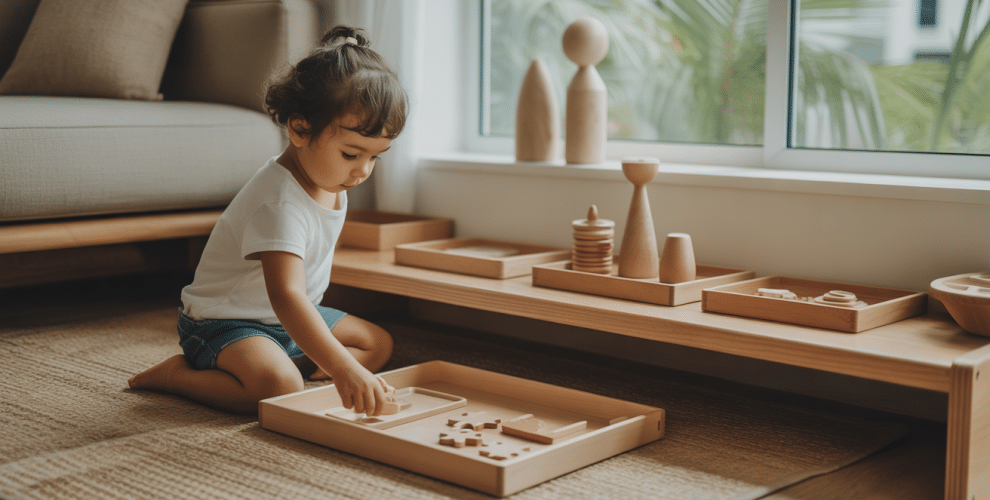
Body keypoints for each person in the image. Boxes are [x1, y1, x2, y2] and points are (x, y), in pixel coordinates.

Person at [129, 26, 406, 416]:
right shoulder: (278, 203)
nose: (362, 171)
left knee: (376, 345)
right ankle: (179, 375)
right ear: (299, 129)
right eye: (351, 154)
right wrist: (342, 368)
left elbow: (298, 301)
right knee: (278, 386)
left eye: (375, 157)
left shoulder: (330, 179)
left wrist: (346, 366)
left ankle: (277, 362)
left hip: (284, 319)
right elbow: (286, 296)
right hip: (227, 321)